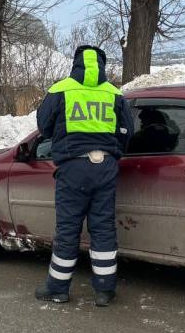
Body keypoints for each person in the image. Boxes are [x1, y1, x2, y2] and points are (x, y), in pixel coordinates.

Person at [34, 45, 134, 307]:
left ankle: (57, 289)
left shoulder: (61, 89)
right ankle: (104, 291)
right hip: (106, 168)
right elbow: (126, 131)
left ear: (75, 63)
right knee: (103, 228)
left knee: (68, 229)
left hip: (72, 168)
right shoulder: (114, 93)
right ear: (101, 65)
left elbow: (43, 127)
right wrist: (114, 154)